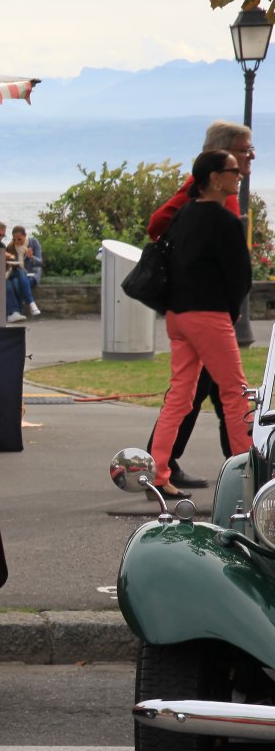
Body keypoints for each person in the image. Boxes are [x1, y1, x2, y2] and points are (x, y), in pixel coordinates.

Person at [143, 120, 254, 488]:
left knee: (181, 395)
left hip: (178, 314)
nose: (241, 173)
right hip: (209, 315)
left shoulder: (185, 214)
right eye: (234, 169)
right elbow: (239, 276)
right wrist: (231, 311)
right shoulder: (226, 219)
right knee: (236, 394)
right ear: (215, 178)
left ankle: (158, 472)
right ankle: (247, 474)